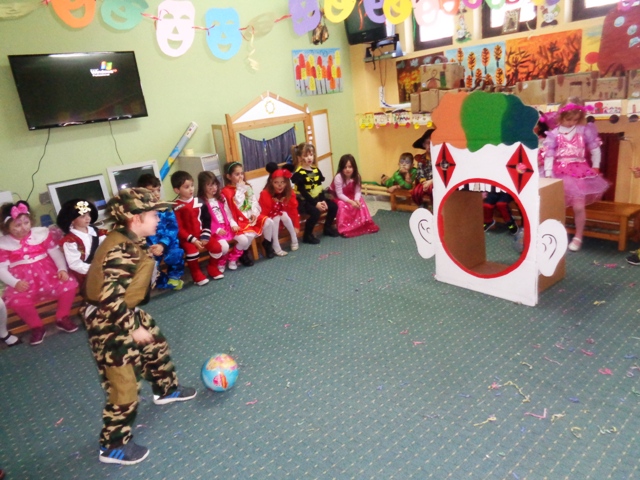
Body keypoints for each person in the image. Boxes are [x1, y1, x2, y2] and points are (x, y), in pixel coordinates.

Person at [84, 188, 196, 466]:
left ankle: (166, 390)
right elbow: (109, 298)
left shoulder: (130, 239)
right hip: (109, 320)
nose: (158, 219)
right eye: (154, 215)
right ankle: (112, 446)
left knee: (155, 345)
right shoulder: (121, 249)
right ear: (135, 218)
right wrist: (132, 327)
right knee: (124, 385)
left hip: (125, 310)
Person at [0, 201, 78, 346]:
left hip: (49, 274)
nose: (24, 227)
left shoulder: (41, 234)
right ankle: (36, 326)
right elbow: (1, 269)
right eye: (17, 225)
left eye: (26, 222)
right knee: (17, 301)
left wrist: (62, 269)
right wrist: (15, 283)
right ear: (6, 227)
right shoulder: (4, 244)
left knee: (69, 285)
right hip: (23, 280)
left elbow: (55, 253)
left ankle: (62, 317)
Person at [543, 97, 609, 252]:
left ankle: (578, 236)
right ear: (560, 116)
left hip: (579, 172)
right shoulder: (554, 134)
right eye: (569, 119)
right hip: (558, 173)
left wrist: (596, 166)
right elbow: (549, 154)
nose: (572, 122)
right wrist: (547, 174)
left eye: (575, 119)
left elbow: (595, 149)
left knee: (578, 206)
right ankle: (556, 234)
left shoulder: (583, 130)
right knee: (556, 206)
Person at [171, 170, 224, 285]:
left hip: (202, 235)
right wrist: (193, 240)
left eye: (192, 185)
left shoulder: (199, 201)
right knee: (192, 252)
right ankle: (196, 273)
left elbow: (207, 220)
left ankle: (212, 267)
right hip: (187, 239)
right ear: (177, 190)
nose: (191, 189)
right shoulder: (175, 206)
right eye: (186, 187)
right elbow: (179, 228)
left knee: (217, 247)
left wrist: (205, 236)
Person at [136, 174, 184, 290]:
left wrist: (162, 244)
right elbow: (138, 233)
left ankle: (174, 276)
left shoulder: (165, 208)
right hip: (150, 246)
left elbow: (172, 228)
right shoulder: (138, 212)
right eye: (152, 191)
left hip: (167, 242)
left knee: (176, 252)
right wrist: (151, 247)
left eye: (158, 190)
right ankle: (162, 281)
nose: (157, 194)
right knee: (150, 264)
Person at [221, 162, 277, 260]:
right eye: (237, 174)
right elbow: (237, 205)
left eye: (241, 173)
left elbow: (253, 201)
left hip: (250, 215)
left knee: (269, 222)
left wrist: (254, 213)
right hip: (238, 219)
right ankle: (244, 252)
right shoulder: (226, 192)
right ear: (229, 176)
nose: (241, 176)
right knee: (249, 234)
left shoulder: (247, 187)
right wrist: (240, 188)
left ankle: (267, 244)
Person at [197, 171, 246, 271]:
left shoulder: (221, 197)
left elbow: (228, 213)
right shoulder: (201, 202)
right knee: (224, 247)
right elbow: (203, 221)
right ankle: (221, 262)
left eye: (215, 184)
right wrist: (216, 229)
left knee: (244, 240)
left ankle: (233, 258)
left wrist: (233, 224)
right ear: (202, 186)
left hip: (227, 226)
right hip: (214, 231)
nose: (214, 188)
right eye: (210, 185)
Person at [291, 143, 339, 244]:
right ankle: (307, 235)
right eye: (305, 155)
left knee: (333, 206)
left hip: (316, 198)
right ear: (299, 158)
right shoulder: (299, 173)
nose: (309, 158)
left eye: (311, 155)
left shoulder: (315, 170)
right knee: (315, 212)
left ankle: (327, 227)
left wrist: (322, 201)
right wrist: (316, 204)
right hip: (304, 201)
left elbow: (319, 187)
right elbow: (304, 193)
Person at [57, 198, 106, 291]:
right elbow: (75, 263)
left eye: (88, 214)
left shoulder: (97, 232)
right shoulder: (70, 241)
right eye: (83, 216)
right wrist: (96, 269)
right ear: (72, 220)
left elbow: (106, 248)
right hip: (87, 274)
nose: (88, 218)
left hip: (105, 267)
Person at [329, 154, 379, 238]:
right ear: (341, 168)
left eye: (350, 167)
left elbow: (357, 191)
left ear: (354, 167)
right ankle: (345, 227)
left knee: (361, 202)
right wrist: (351, 202)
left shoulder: (357, 176)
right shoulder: (338, 177)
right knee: (342, 205)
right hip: (338, 197)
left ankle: (359, 224)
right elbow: (339, 194)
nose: (347, 169)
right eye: (345, 167)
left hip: (351, 195)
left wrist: (356, 200)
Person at [259, 162, 300, 255]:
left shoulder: (289, 192)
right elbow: (265, 213)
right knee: (276, 217)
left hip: (285, 217)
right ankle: (276, 245)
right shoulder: (265, 193)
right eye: (276, 182)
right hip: (269, 218)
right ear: (271, 182)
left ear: (286, 183)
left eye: (282, 182)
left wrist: (296, 225)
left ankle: (294, 239)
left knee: (283, 214)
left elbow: (293, 208)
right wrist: (275, 203)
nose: (280, 185)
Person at [411, 129, 435, 208]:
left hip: (436, 182)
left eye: (434, 143)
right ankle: (422, 206)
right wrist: (424, 183)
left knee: (433, 190)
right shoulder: (421, 159)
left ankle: (434, 207)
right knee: (416, 191)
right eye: (428, 143)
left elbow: (442, 173)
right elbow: (420, 173)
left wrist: (431, 182)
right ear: (424, 145)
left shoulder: (441, 159)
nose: (431, 145)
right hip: (424, 182)